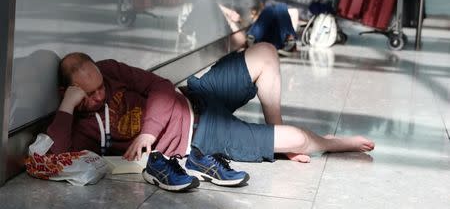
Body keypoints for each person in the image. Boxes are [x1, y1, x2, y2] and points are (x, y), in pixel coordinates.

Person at [47, 44, 374, 191]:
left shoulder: (110, 70)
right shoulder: (82, 126)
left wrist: (147, 133)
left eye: (100, 88)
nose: (98, 96)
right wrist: (67, 108)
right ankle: (332, 142)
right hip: (201, 136)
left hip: (196, 95)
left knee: (265, 53)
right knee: (300, 139)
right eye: (87, 94)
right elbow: (57, 157)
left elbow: (160, 86)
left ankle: (275, 131)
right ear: (69, 91)